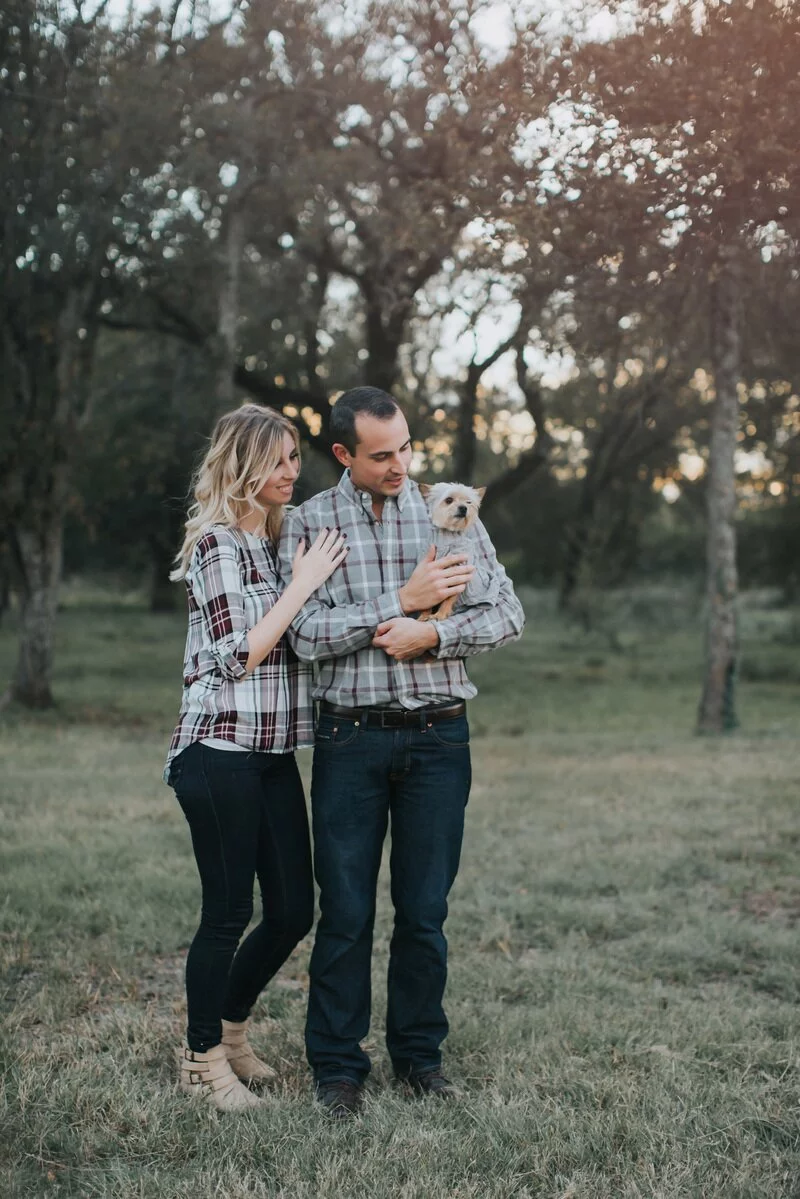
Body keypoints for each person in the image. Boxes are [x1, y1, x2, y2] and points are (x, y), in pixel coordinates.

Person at [277, 387, 525, 1119]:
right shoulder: (311, 521)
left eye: (406, 447)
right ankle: (337, 1066)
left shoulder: (449, 509)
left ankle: (419, 1057)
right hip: (349, 737)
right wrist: (398, 600)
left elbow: (507, 611)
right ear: (344, 454)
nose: (401, 465)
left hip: (440, 737)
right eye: (382, 455)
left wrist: (435, 634)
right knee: (346, 908)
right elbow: (303, 635)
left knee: (424, 910)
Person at [165, 403, 347, 1111]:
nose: (291, 471)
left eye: (296, 457)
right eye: (277, 459)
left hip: (271, 756)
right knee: (227, 911)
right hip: (217, 753)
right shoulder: (216, 546)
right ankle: (201, 1057)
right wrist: (303, 584)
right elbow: (241, 653)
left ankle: (232, 1031)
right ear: (242, 465)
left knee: (293, 909)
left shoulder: (276, 546)